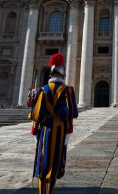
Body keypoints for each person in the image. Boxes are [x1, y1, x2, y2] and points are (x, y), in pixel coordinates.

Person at [29, 53, 78, 194]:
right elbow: (70, 113)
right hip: (60, 129)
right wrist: (69, 131)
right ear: (62, 75)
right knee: (56, 161)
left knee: (42, 160)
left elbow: (36, 114)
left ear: (50, 74)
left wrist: (34, 131)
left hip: (44, 129)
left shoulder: (42, 90)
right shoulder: (68, 90)